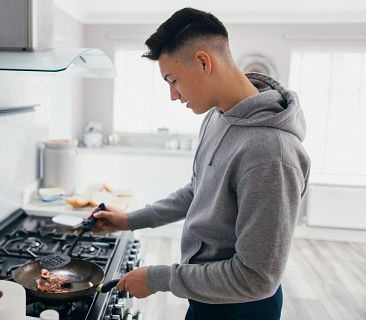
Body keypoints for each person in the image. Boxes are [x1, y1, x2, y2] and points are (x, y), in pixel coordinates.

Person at [91, 7, 311, 320]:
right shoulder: (218, 116)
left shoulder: (272, 154)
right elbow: (199, 189)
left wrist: (160, 278)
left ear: (204, 62)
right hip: (206, 297)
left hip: (242, 309)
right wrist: (129, 220)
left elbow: (257, 279)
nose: (172, 95)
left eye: (173, 80)